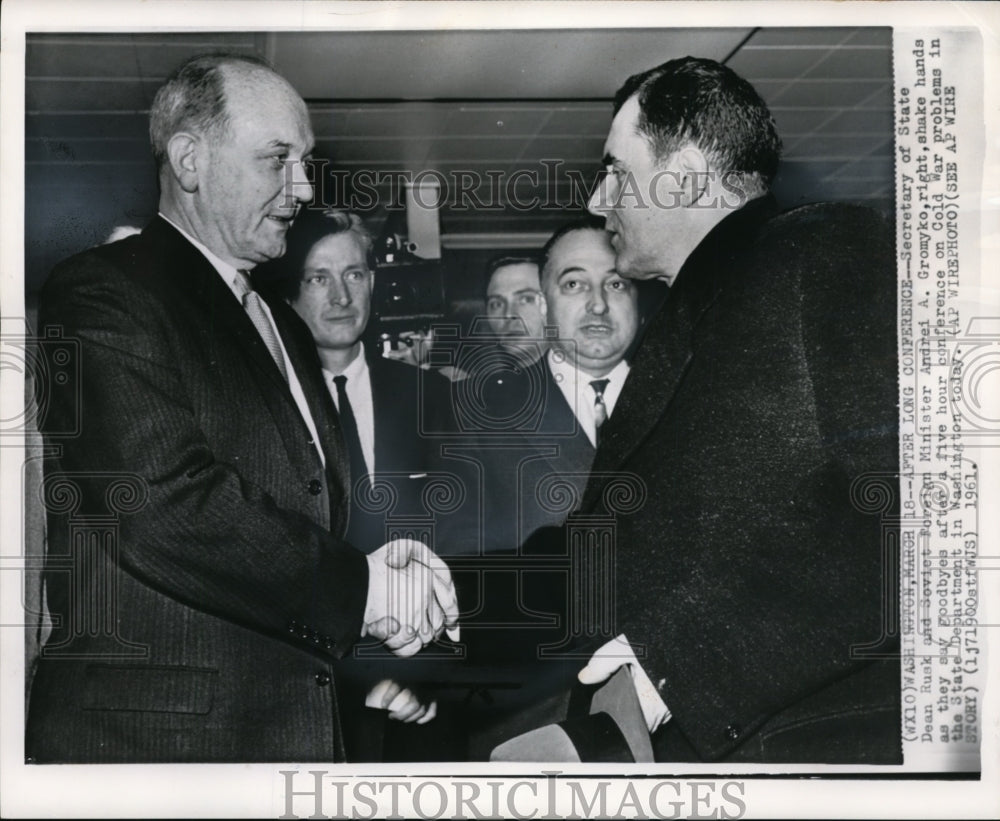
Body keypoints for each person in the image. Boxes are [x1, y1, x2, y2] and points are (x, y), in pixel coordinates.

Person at [26, 53, 456, 764]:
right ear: (190, 159)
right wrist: (366, 588)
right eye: (278, 159)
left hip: (282, 740)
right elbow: (161, 502)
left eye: (307, 161)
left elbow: (290, 502)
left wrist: (372, 562)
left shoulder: (281, 324)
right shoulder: (102, 293)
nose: (303, 186)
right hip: (155, 752)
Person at [563, 55, 900, 763]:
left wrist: (674, 668)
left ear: (683, 170)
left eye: (616, 171)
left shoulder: (831, 250)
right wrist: (441, 592)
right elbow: (612, 555)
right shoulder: (687, 316)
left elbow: (910, 518)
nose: (599, 200)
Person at [272, 208, 463, 759]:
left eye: (353, 275)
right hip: (305, 693)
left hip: (419, 694)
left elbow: (461, 542)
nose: (339, 296)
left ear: (373, 282)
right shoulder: (266, 406)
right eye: (318, 278)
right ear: (290, 292)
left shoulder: (432, 397)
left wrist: (424, 677)